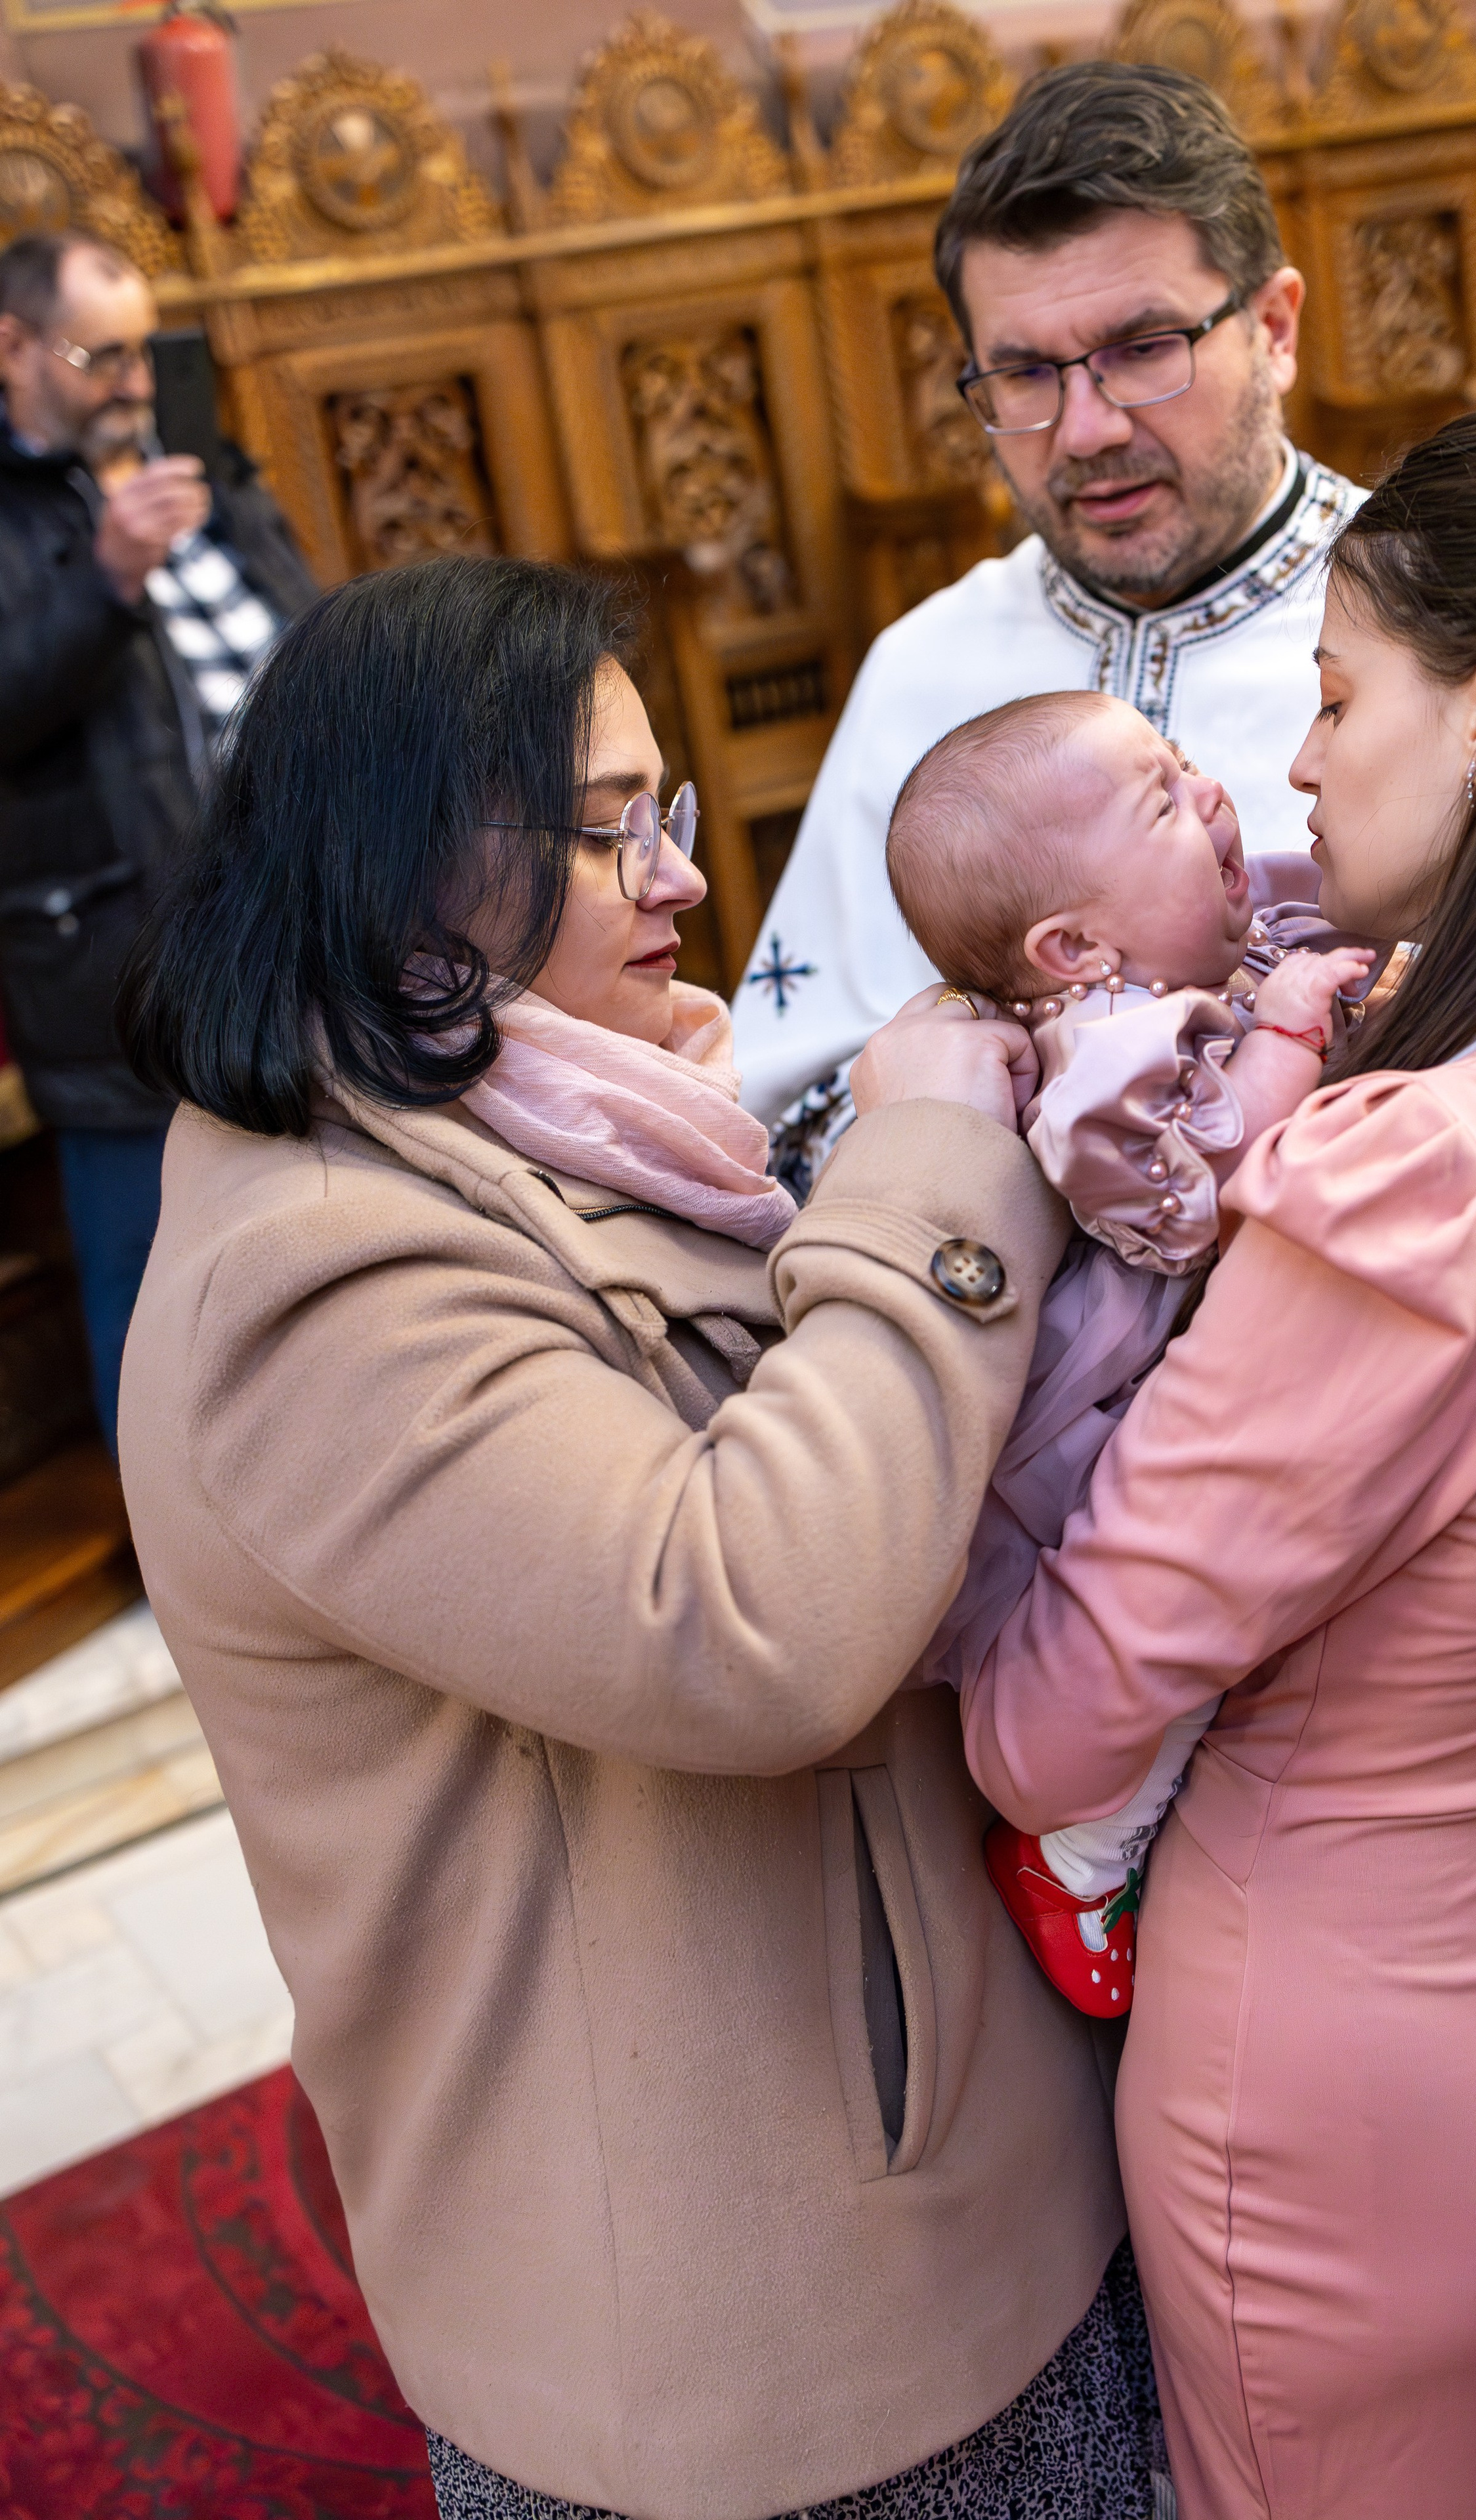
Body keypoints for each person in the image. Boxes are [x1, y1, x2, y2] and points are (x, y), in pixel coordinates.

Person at [114, 555, 1168, 2520]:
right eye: (610, 832)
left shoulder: (564, 1124)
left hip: (932, 2184)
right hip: (758, 2334)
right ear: (395, 867)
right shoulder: (316, 1277)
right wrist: (937, 1167)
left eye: (666, 812)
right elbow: (743, 1623)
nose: (685, 877)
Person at [961, 379, 1476, 2517]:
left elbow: (1056, 1721)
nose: (1290, 760)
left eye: (1337, 693)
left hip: (1353, 2101)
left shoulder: (1427, 1181)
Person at [732, 60, 1360, 1153]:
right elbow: (787, 1108)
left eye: (1142, 349)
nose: (1085, 432)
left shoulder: (1439, 614)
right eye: (1023, 375)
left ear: (1276, 328)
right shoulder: (925, 664)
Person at [887, 691, 1370, 2017]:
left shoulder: (1187, 970)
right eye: (1163, 802)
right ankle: (1078, 1859)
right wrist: (1283, 1036)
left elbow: (1303, 911)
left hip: (1149, 1429)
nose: (1214, 796)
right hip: (1076, 1470)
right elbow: (1177, 1207)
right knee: (1168, 1678)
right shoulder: (1101, 1055)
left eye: (1188, 769)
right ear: (1072, 947)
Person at [0, 226, 313, 1450]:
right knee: (152, 1281)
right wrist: (108, 573)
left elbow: (306, 616)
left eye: (146, 350)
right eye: (101, 354)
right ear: (13, 347)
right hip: (116, 941)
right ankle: (183, 1568)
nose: (134, 381)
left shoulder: (205, 462)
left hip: (292, 914)